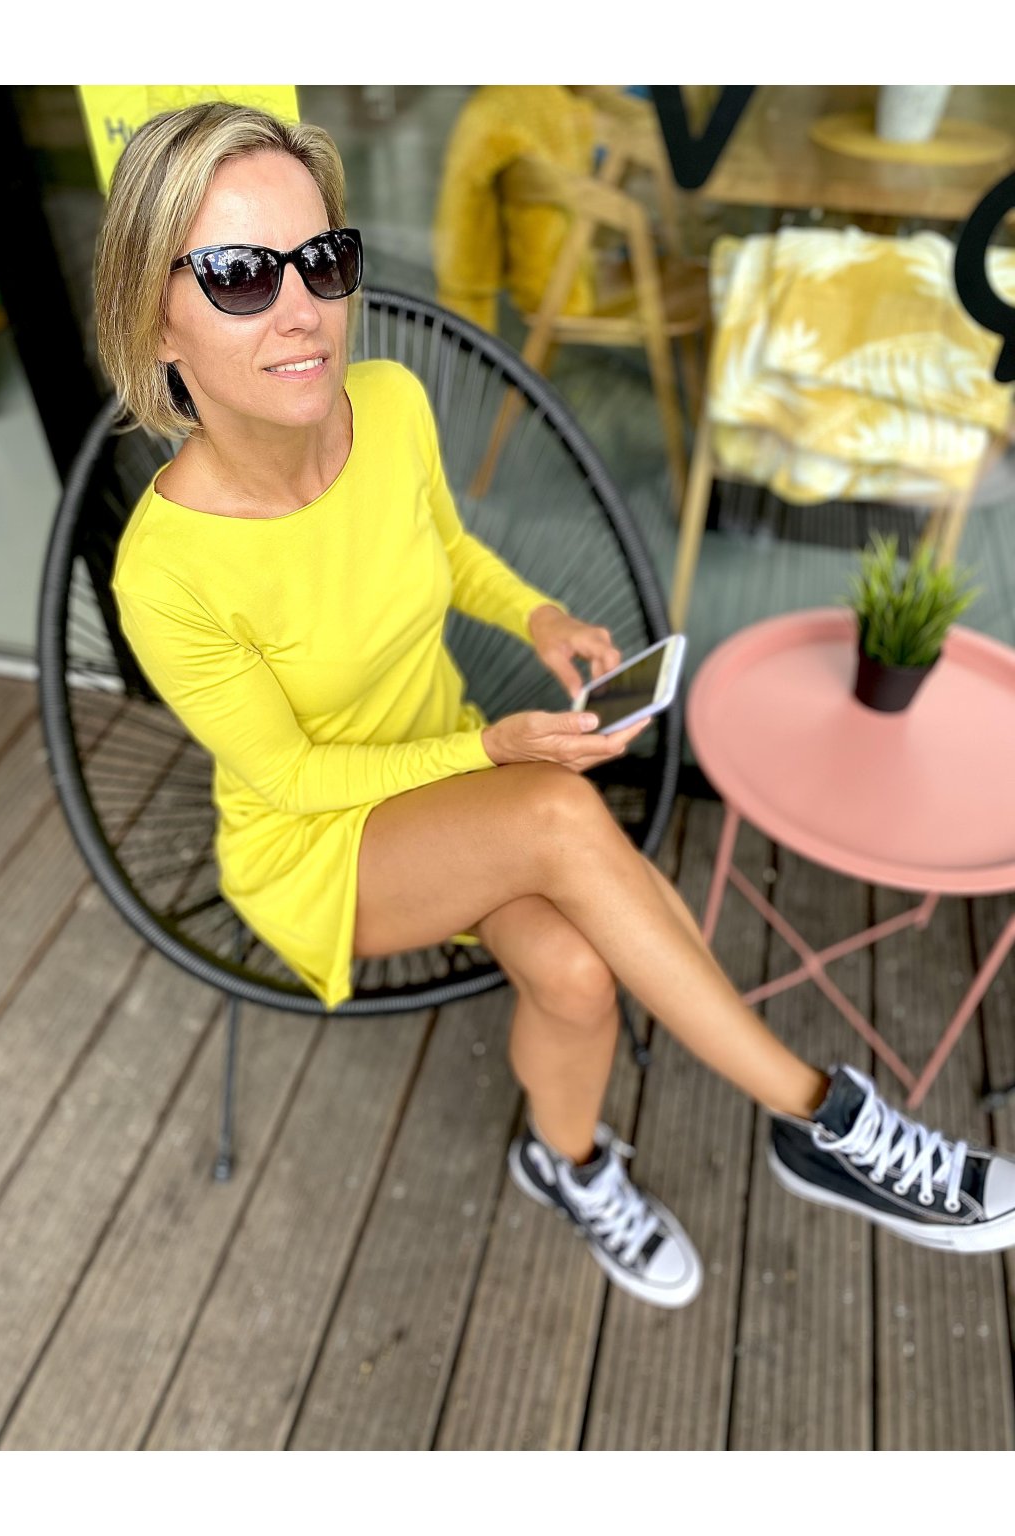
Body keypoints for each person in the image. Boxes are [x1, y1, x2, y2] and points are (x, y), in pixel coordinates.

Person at [99, 101, 1015, 1316]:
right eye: (237, 276)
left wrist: (533, 617)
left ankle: (566, 1162)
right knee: (551, 812)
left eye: (321, 259)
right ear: (153, 315)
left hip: (456, 789)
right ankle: (826, 1122)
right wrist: (489, 746)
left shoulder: (388, 405)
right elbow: (291, 779)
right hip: (319, 845)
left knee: (579, 972)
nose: (301, 307)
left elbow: (445, 548)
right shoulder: (166, 573)